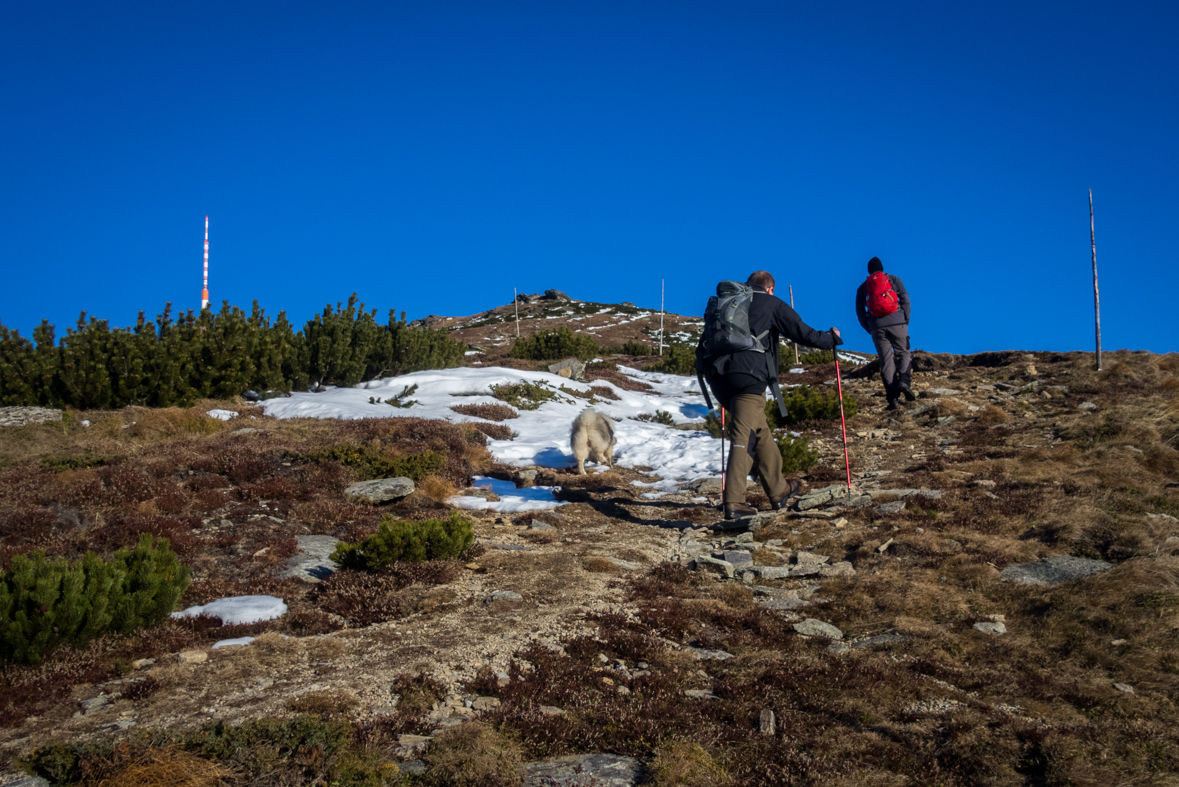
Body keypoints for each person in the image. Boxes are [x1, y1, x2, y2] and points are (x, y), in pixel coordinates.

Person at [699, 271, 843, 520]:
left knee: (759, 431)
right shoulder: (771, 303)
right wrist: (831, 339)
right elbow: (803, 333)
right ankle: (734, 501)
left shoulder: (729, 306)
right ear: (770, 289)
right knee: (744, 437)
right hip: (748, 376)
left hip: (717, 378)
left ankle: (778, 490)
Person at [855, 257, 912, 410]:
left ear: (869, 271)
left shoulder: (863, 288)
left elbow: (860, 311)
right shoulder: (894, 280)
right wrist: (905, 318)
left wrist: (869, 327)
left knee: (886, 361)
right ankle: (904, 382)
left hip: (877, 327)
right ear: (882, 267)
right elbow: (905, 299)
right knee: (904, 353)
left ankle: (893, 399)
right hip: (898, 322)